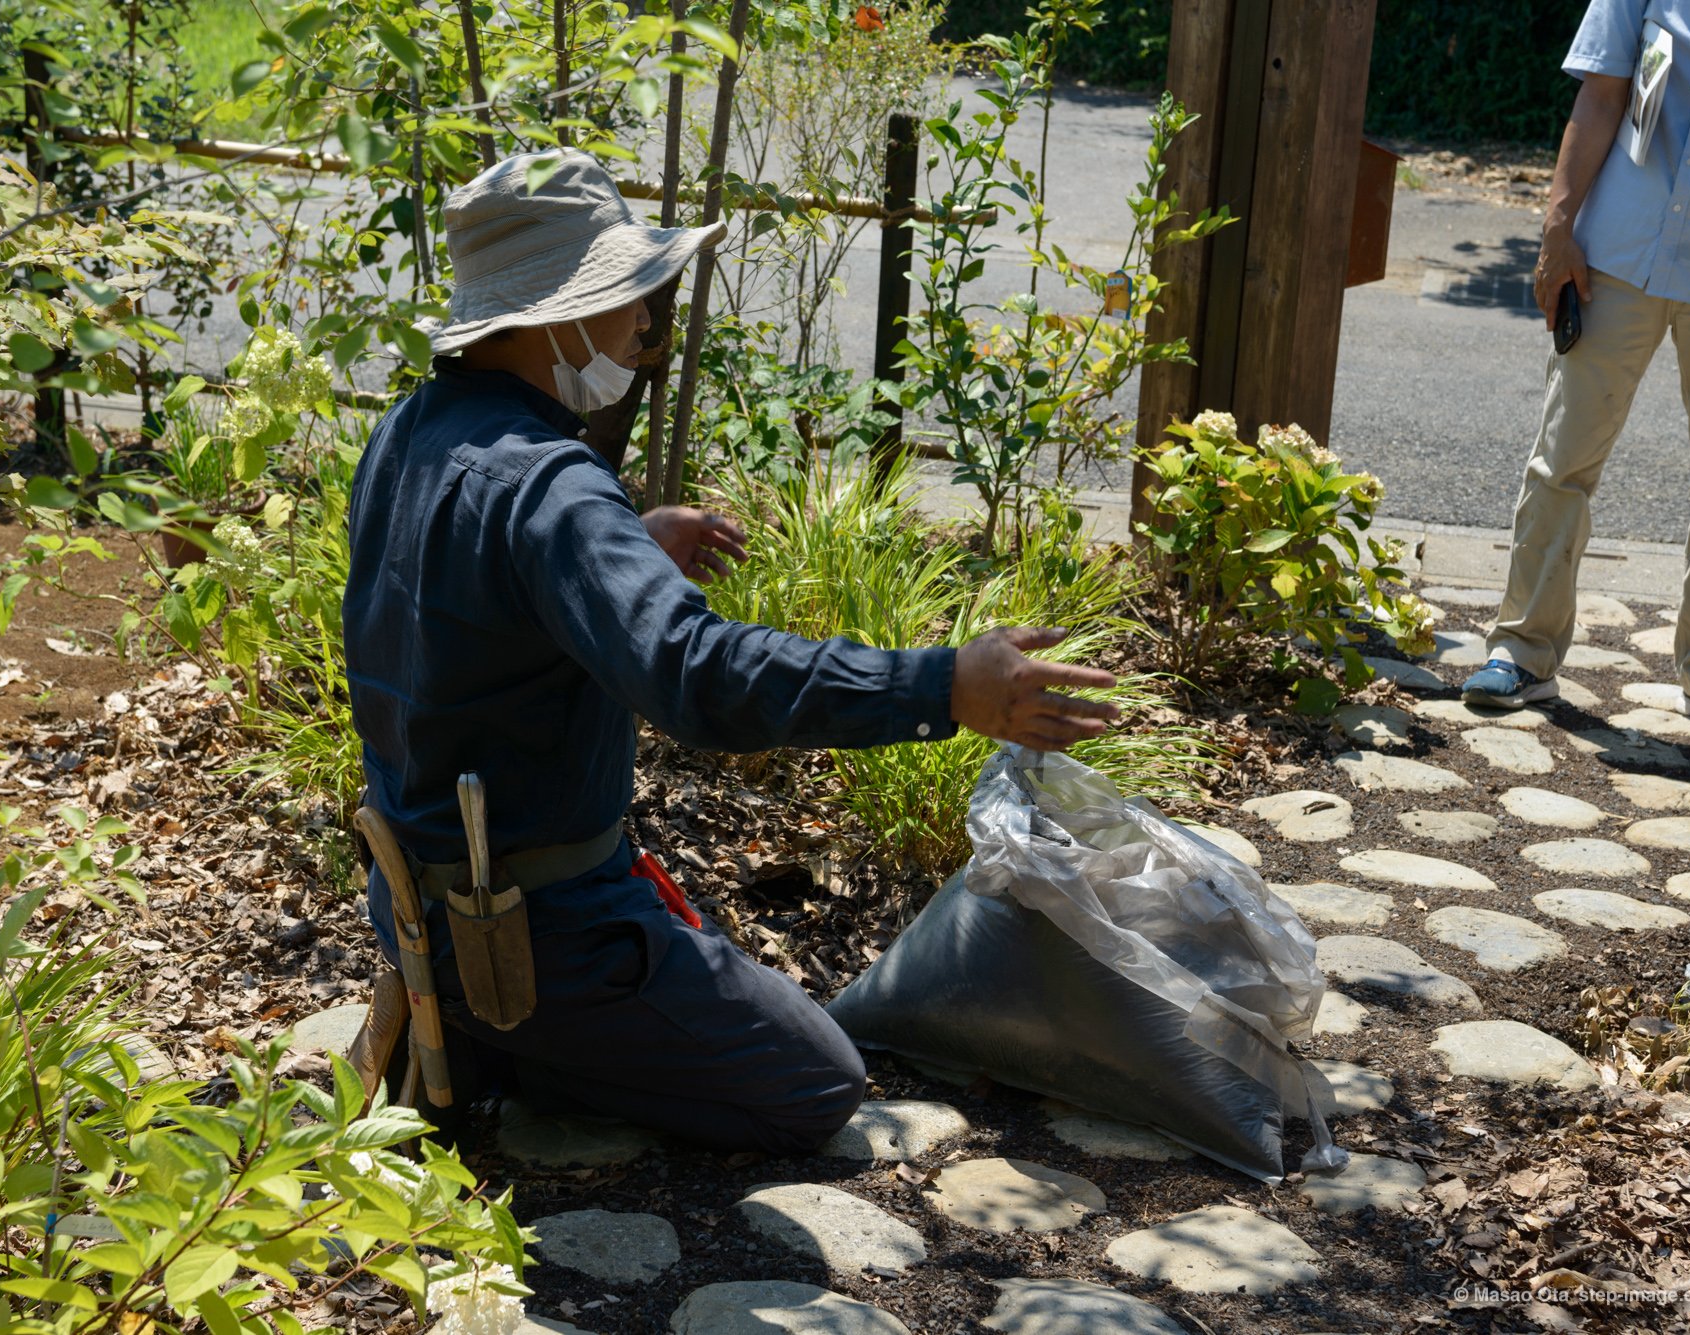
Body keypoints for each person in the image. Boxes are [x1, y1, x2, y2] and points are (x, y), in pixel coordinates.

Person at [344, 148, 1120, 1155]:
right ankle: (528, 1043)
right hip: (539, 932)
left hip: (420, 904)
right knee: (810, 1081)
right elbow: (698, 680)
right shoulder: (552, 488)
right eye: (627, 298)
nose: (642, 327)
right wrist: (942, 686)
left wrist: (618, 555)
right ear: (557, 316)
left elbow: (462, 620)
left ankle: (483, 1025)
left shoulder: (407, 434)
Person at [1462, 0, 1690, 741]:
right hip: (1620, 253)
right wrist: (1558, 227)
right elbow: (1602, 95)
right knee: (1563, 457)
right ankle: (1522, 649)